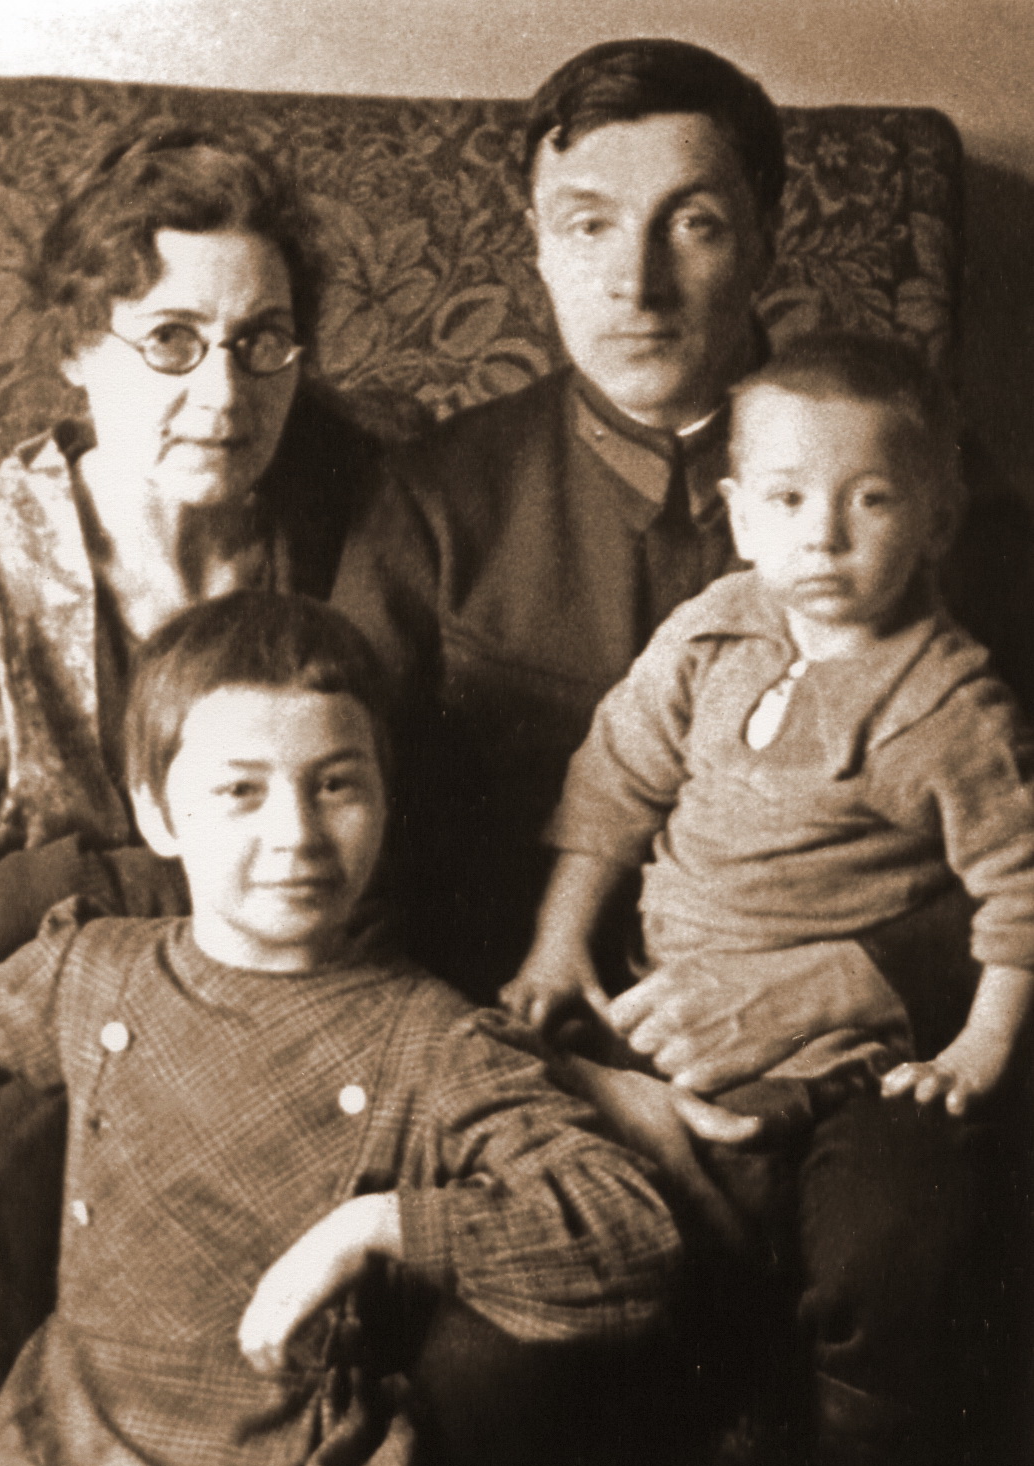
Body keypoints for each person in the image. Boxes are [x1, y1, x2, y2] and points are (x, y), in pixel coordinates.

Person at [0, 590, 681, 1466]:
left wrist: (378, 1224)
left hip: (284, 1444)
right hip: (78, 1424)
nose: (296, 834)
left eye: (335, 783)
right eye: (240, 790)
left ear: (386, 797)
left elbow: (626, 1234)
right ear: (156, 812)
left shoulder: (427, 1037)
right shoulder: (89, 970)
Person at [0, 123, 385, 1466]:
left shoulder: (358, 528)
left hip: (299, 1018)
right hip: (26, 1041)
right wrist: (73, 891)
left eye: (263, 342)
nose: (223, 393)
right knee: (14, 1151)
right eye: (169, 340)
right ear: (76, 346)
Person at [505, 331, 1034, 1466]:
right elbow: (612, 780)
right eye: (787, 500)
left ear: (935, 519)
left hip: (829, 1050)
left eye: (869, 500)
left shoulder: (950, 709)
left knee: (774, 1201)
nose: (823, 537)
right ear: (739, 513)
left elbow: (1018, 890)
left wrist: (976, 1048)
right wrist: (555, 940)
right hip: (655, 994)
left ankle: (787, 1451)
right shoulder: (716, 628)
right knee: (552, 1148)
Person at [333, 38, 785, 1009]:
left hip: (820, 1035)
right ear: (536, 242)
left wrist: (868, 977)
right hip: (497, 1023)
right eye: (589, 225)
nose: (637, 282)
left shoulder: (919, 481)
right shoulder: (430, 503)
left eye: (693, 224)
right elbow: (336, 849)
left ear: (764, 238)